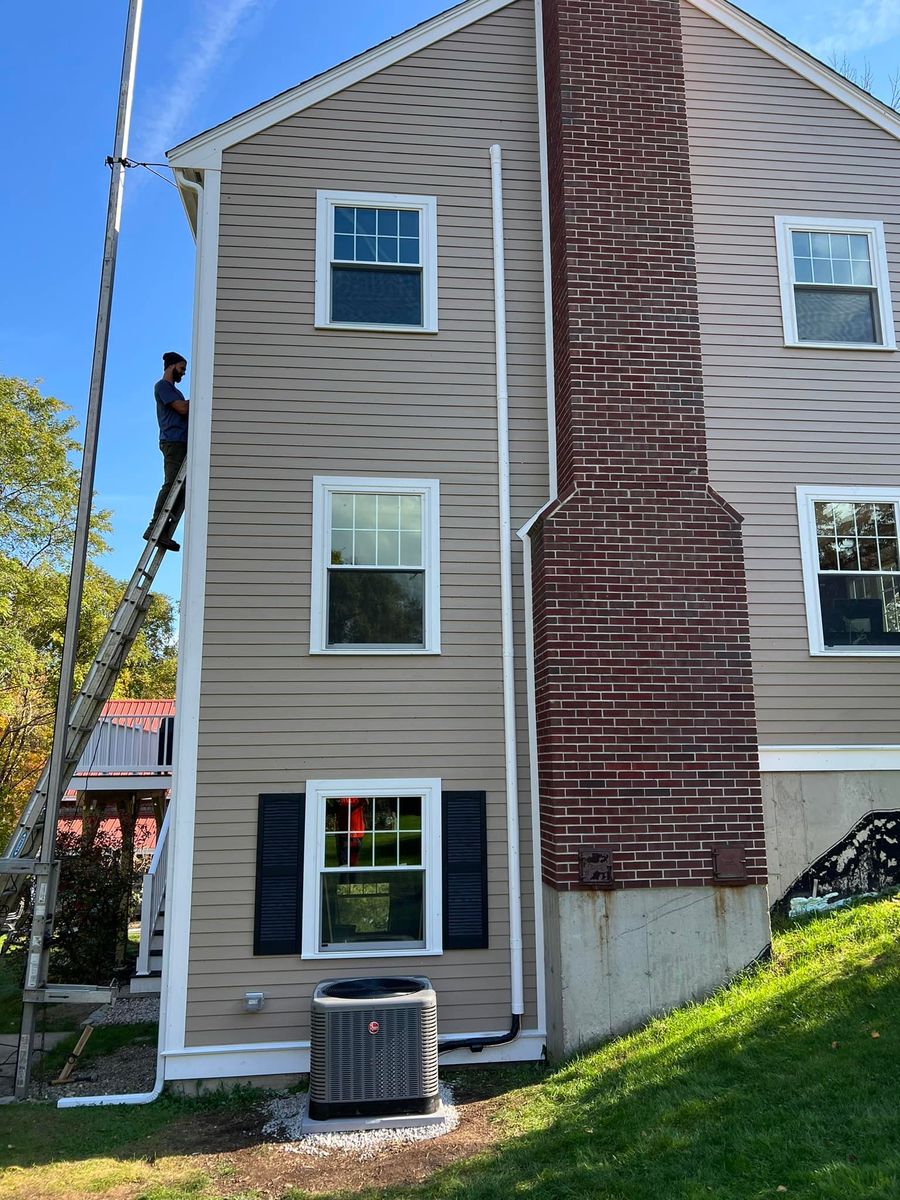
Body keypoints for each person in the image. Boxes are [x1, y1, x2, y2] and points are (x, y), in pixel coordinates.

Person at [144, 352, 189, 551]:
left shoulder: (175, 391)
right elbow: (182, 409)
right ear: (171, 366)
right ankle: (154, 528)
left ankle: (164, 531)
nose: (183, 373)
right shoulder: (162, 386)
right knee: (172, 483)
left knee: (182, 488)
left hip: (181, 441)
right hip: (173, 441)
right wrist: (202, 396)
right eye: (182, 368)